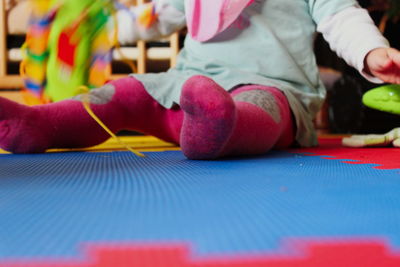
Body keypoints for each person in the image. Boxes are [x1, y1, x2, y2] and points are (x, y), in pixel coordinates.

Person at [1, 0, 400, 159]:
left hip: (272, 86)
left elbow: (341, 15)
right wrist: (99, 26)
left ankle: (218, 128)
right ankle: (39, 123)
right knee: (123, 92)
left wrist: (371, 51)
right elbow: (154, 16)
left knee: (261, 108)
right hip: (188, 85)